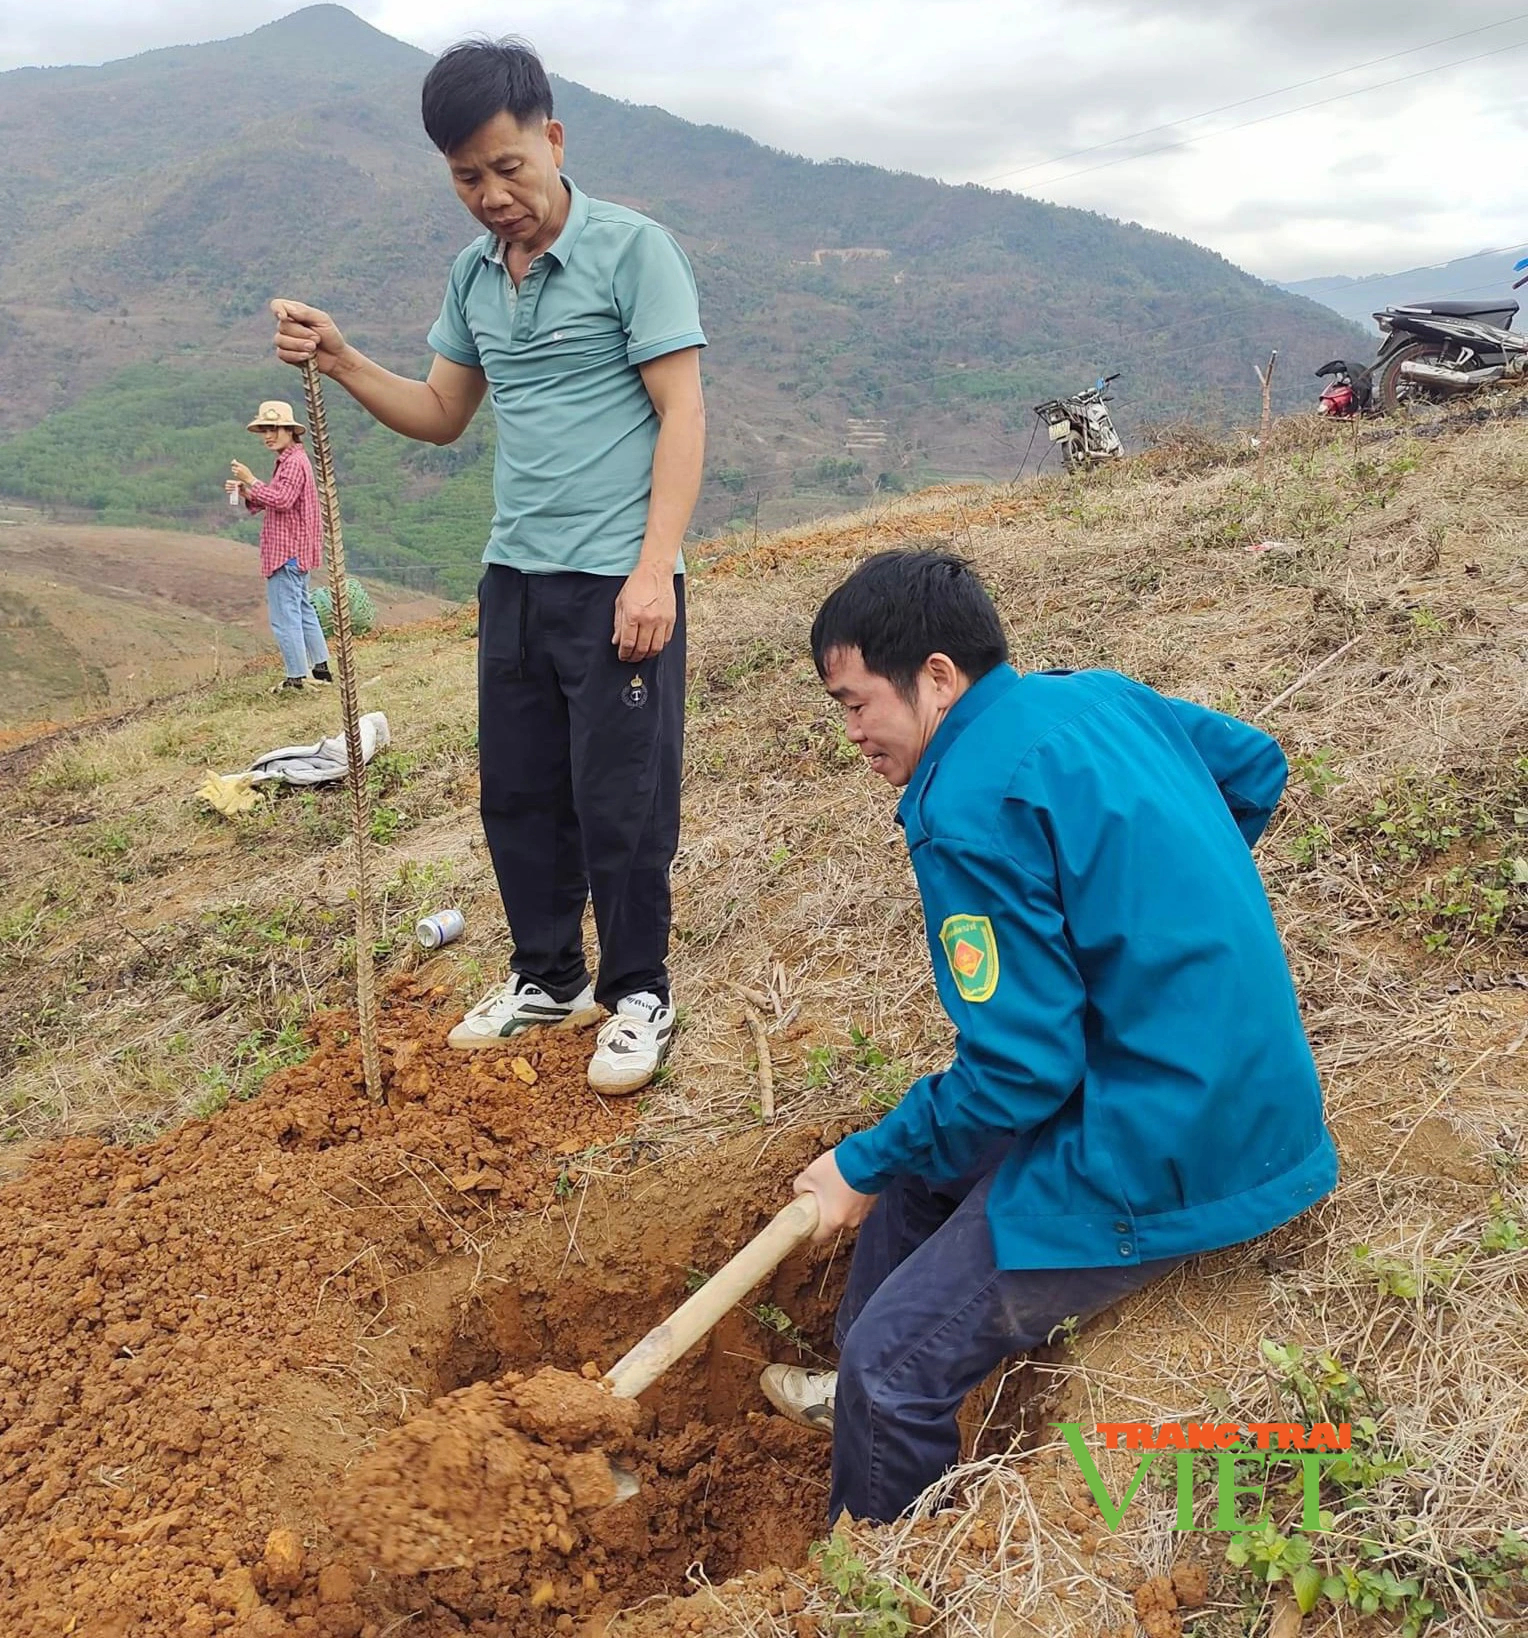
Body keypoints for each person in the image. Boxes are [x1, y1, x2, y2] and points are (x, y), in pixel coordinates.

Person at [762, 550, 1339, 1525]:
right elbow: (1254, 768)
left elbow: (1022, 1072)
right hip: (1248, 1089)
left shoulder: (966, 807)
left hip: (1169, 1142)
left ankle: (876, 1575)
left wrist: (856, 1161)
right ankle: (857, 1407)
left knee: (895, 1364)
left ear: (936, 677)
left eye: (856, 703)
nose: (851, 732)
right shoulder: (1099, 698)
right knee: (913, 1184)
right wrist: (1150, 926)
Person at [265, 39, 706, 1094]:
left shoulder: (633, 250)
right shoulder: (472, 276)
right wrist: (340, 356)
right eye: (467, 177)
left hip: (615, 577)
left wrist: (654, 573)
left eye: (508, 167)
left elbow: (682, 411)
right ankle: (547, 976)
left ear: (552, 140)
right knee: (517, 791)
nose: (492, 195)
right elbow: (441, 414)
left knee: (622, 797)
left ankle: (637, 992)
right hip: (513, 576)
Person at [226, 400, 334, 694]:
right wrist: (248, 491)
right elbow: (278, 497)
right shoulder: (292, 461)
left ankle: (296, 677)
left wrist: (250, 480)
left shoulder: (293, 463)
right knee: (302, 608)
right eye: (265, 430)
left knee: (285, 616)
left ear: (289, 430)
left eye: (273, 429)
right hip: (297, 551)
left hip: (286, 552)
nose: (267, 436)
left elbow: (282, 500)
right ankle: (319, 666)